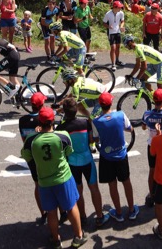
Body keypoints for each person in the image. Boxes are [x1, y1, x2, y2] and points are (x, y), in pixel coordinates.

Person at [21, 107, 86, 249]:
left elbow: (27, 156)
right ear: (53, 121)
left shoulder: (31, 139)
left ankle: (56, 240)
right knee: (71, 206)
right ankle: (78, 236)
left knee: (51, 212)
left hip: (44, 181)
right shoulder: (62, 136)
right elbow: (69, 152)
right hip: (63, 178)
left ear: (40, 121)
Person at [56, 97, 110, 229]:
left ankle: (83, 217)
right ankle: (99, 217)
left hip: (73, 164)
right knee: (94, 189)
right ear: (76, 110)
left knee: (78, 191)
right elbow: (92, 139)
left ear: (64, 111)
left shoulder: (61, 128)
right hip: (87, 160)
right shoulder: (85, 123)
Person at [91, 92, 139, 222]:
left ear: (100, 105)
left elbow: (95, 138)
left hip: (107, 157)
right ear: (111, 103)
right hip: (121, 155)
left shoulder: (96, 121)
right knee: (126, 182)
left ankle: (118, 212)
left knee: (112, 185)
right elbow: (130, 129)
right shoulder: (120, 115)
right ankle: (131, 210)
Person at [18, 92, 48, 226]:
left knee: (38, 185)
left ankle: (43, 214)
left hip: (31, 155)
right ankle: (62, 211)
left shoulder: (22, 120)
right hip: (46, 155)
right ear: (42, 104)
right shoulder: (45, 119)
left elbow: (24, 139)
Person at [141, 89, 162, 207]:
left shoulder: (147, 114)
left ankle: (152, 195)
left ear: (153, 100)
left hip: (152, 146)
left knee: (152, 170)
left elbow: (143, 127)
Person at [103, 1, 125, 70]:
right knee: (113, 48)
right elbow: (104, 23)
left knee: (118, 47)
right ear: (115, 7)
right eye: (119, 7)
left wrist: (121, 26)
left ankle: (117, 60)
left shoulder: (121, 13)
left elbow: (122, 21)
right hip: (111, 32)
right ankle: (113, 64)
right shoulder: (108, 14)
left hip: (118, 31)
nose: (120, 8)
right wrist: (109, 27)